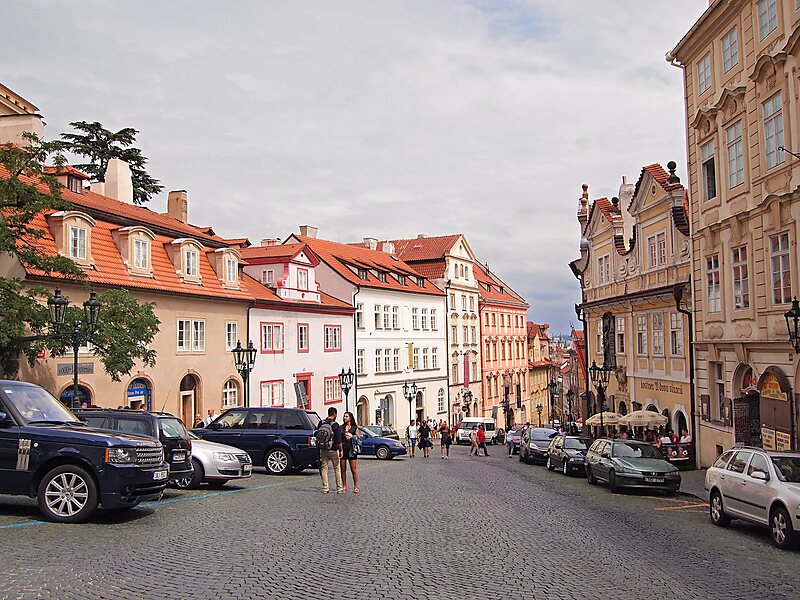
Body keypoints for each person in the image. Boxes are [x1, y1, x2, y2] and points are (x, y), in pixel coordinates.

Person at [317, 407, 344, 494]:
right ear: (335, 414)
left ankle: (325, 488)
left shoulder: (321, 423)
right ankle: (339, 488)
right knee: (337, 468)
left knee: (324, 468)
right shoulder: (335, 425)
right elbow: (338, 440)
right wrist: (340, 450)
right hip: (333, 449)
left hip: (323, 449)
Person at [340, 411, 361, 493]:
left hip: (352, 450)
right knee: (343, 469)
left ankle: (356, 486)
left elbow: (359, 440)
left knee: (353, 469)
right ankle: (344, 486)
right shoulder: (341, 428)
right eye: (344, 416)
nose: (345, 418)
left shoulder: (355, 428)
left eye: (346, 416)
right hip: (343, 449)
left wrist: (353, 436)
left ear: (350, 418)